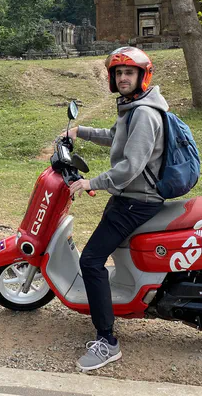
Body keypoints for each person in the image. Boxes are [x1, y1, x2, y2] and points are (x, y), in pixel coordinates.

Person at [64, 46, 169, 372]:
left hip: (136, 200)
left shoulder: (144, 114)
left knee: (91, 261)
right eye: (119, 73)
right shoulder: (134, 108)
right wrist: (81, 131)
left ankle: (107, 341)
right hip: (130, 197)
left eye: (129, 73)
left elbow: (131, 166)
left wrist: (92, 183)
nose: (123, 78)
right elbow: (114, 136)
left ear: (142, 76)